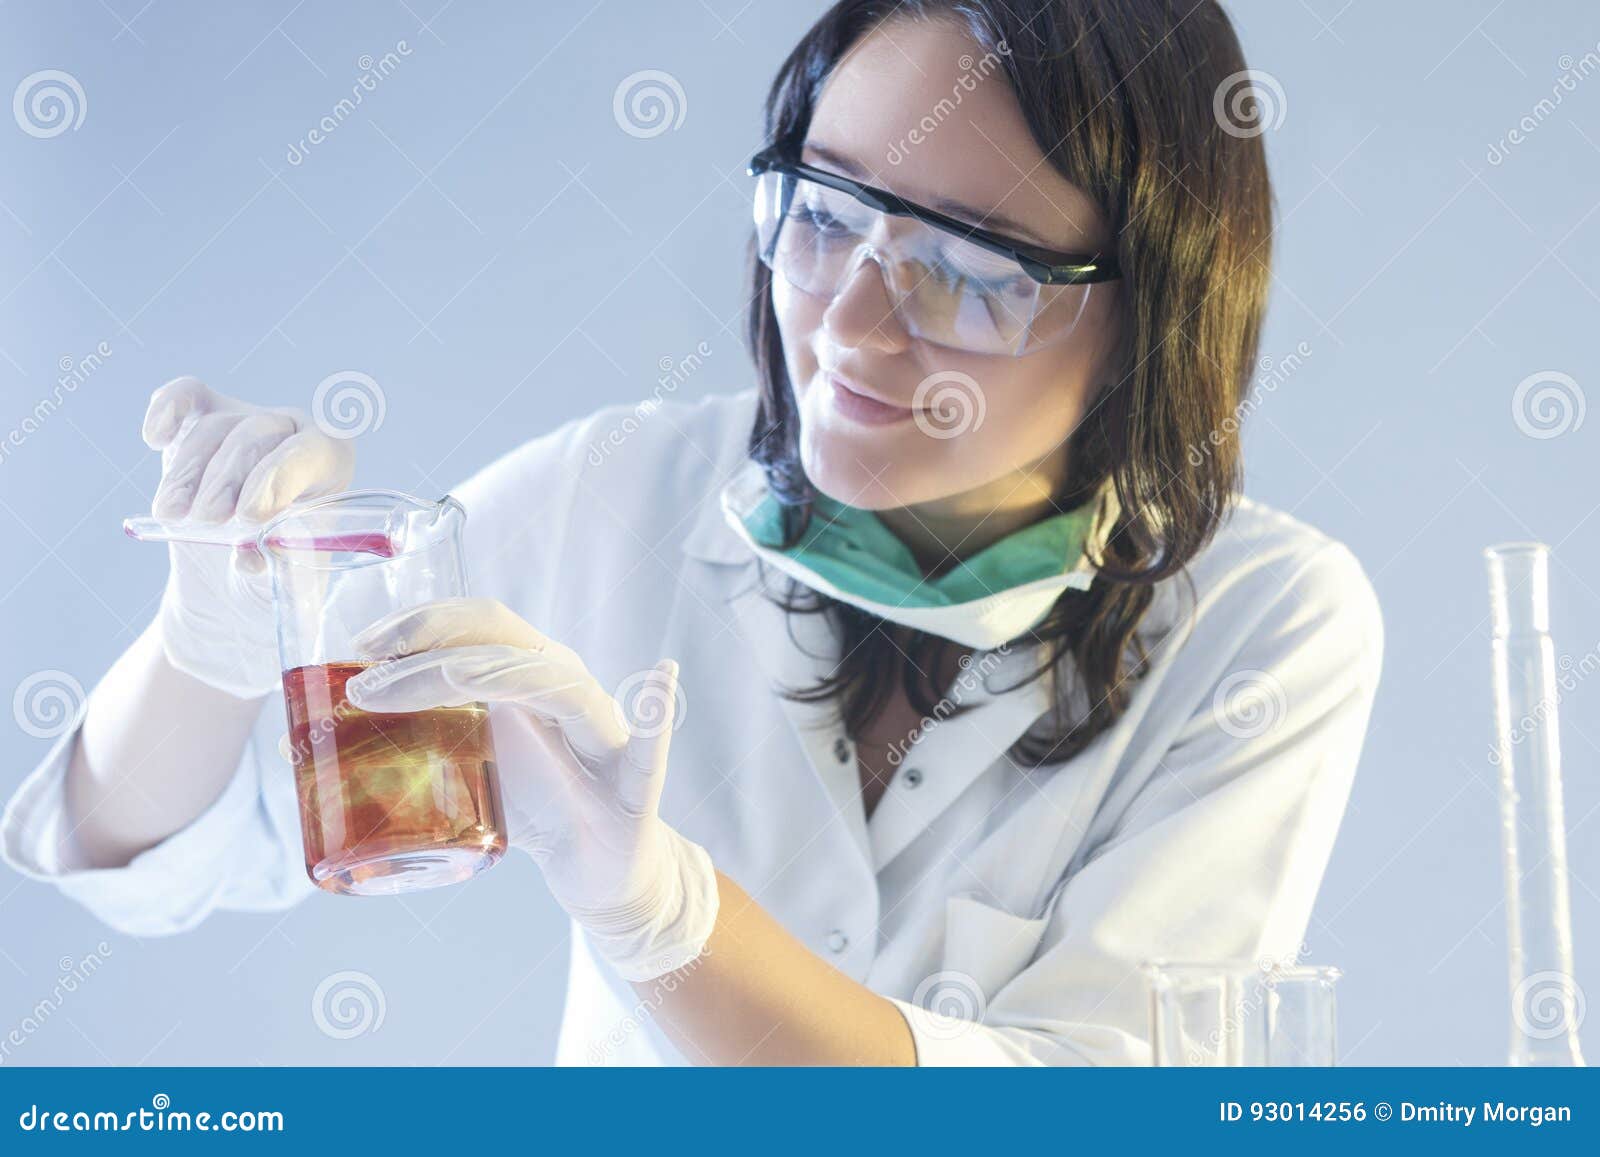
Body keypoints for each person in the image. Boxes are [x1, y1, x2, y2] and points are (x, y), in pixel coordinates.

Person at [1, 0, 1382, 1066]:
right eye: (824, 212)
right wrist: (215, 636)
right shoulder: (617, 492)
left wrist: (660, 918)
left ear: (1159, 307)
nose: (846, 321)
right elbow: (147, 851)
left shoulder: (1267, 622)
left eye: (964, 271)